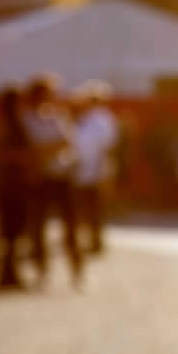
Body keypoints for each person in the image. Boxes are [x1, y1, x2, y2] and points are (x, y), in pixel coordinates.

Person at [20, 77, 83, 287]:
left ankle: (76, 270)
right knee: (38, 227)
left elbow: (67, 142)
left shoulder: (58, 116)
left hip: (62, 177)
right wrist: (49, 149)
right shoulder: (27, 119)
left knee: (71, 226)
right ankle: (41, 270)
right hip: (40, 179)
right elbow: (30, 148)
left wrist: (44, 150)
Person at [0, 87, 35, 291]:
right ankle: (7, 272)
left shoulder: (7, 122)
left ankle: (9, 271)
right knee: (10, 230)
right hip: (11, 185)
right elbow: (1, 153)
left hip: (10, 184)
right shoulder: (8, 124)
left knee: (12, 231)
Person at [69, 82, 119, 255]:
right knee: (83, 208)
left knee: (95, 208)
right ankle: (86, 239)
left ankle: (96, 241)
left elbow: (107, 148)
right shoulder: (83, 119)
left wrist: (104, 172)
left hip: (96, 171)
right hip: (80, 171)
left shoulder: (103, 120)